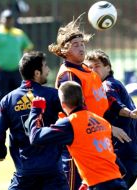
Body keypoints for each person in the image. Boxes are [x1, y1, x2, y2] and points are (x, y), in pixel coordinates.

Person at [48, 15, 131, 190]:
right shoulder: (69, 75)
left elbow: (101, 101)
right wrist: (109, 127)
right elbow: (75, 108)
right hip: (79, 137)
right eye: (75, 45)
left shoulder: (86, 69)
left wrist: (122, 113)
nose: (81, 48)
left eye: (82, 44)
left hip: (95, 133)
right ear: (64, 50)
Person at [28, 81, 128, 190]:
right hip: (118, 182)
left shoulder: (69, 123)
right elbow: (117, 166)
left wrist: (36, 111)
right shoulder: (102, 121)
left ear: (63, 104)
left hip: (99, 185)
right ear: (83, 99)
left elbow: (35, 137)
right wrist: (87, 182)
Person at [0, 51, 69, 190]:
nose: (48, 70)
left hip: (25, 172)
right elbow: (74, 117)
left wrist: (0, 153)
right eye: (45, 66)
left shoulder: (8, 100)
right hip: (52, 170)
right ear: (37, 73)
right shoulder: (53, 95)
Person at [85, 49, 137, 188]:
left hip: (122, 156)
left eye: (97, 66)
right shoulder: (116, 83)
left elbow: (114, 103)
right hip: (130, 155)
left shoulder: (107, 85)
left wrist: (129, 113)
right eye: (89, 67)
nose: (93, 70)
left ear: (108, 67)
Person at [0, 9, 33, 109]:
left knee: (18, 95)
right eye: (6, 18)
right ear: (1, 19)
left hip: (16, 70)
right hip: (0, 70)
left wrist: (24, 61)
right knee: (1, 95)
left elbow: (28, 46)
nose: (8, 21)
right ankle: (0, 118)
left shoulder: (18, 33)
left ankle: (15, 118)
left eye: (10, 18)